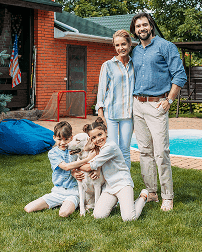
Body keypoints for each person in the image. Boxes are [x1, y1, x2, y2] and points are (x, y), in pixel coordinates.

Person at [129, 12, 187, 212]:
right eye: (138, 26)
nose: (141, 29)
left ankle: (168, 196)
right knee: (144, 151)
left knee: (161, 152)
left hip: (157, 104)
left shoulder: (165, 46)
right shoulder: (135, 51)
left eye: (145, 25)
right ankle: (151, 192)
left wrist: (169, 100)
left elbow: (179, 75)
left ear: (151, 26)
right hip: (138, 105)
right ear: (134, 30)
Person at [80, 118, 148, 221]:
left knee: (129, 218)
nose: (98, 139)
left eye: (100, 134)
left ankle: (142, 197)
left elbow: (88, 167)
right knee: (98, 216)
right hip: (109, 186)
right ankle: (120, 203)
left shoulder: (110, 147)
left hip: (122, 184)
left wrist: (70, 166)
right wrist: (97, 169)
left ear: (106, 132)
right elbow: (97, 159)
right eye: (93, 137)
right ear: (91, 139)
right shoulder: (98, 148)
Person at [24, 121, 94, 218]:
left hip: (73, 192)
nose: (63, 143)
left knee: (63, 213)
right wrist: (87, 160)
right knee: (28, 208)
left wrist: (74, 172)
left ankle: (69, 203)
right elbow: (66, 167)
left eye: (66, 139)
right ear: (54, 138)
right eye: (59, 139)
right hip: (57, 191)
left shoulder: (74, 150)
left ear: (71, 138)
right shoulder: (53, 153)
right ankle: (60, 203)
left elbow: (77, 166)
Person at [96, 29, 134, 168]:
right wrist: (100, 114)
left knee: (125, 150)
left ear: (129, 44)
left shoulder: (134, 65)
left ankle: (126, 183)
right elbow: (101, 90)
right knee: (112, 149)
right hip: (111, 114)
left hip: (127, 114)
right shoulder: (107, 65)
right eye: (117, 45)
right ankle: (111, 182)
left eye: (123, 44)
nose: (120, 48)